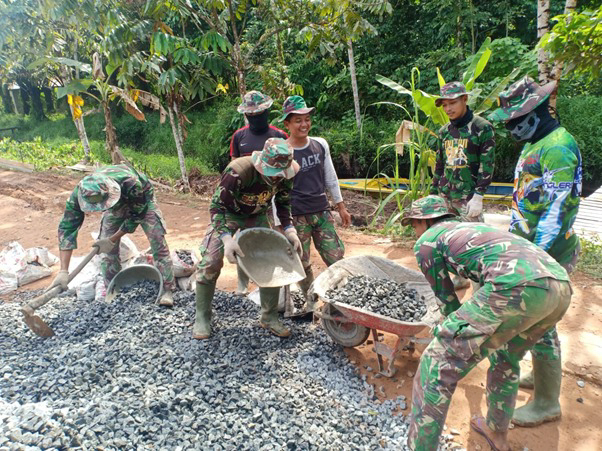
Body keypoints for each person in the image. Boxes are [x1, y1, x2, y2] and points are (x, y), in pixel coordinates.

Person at [403, 195, 571, 451]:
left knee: (436, 364)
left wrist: (446, 333)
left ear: (424, 221)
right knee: (505, 354)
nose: (414, 232)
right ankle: (496, 431)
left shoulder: (426, 241)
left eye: (413, 225)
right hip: (558, 286)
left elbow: (446, 300)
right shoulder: (474, 230)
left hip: (515, 287)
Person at [488, 76, 582, 427]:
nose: (511, 128)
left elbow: (558, 211)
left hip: (548, 255)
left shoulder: (558, 146)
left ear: (536, 111)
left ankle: (546, 402)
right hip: (531, 249)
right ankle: (540, 381)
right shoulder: (536, 141)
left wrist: (535, 259)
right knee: (538, 323)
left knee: (543, 323)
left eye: (515, 121)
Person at [193, 138, 301, 340]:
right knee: (210, 261)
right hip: (228, 214)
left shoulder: (287, 173)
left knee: (271, 258)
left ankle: (268, 317)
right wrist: (226, 239)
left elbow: (283, 202)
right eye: (272, 174)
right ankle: (203, 316)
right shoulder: (238, 172)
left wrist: (289, 229)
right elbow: (217, 208)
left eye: (280, 175)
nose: (276, 179)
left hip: (257, 215)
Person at [51, 164, 176, 306]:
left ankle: (167, 289)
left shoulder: (130, 181)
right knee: (107, 253)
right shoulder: (79, 194)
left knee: (157, 240)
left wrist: (112, 239)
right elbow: (67, 228)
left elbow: (136, 217)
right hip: (115, 207)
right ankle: (113, 288)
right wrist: (63, 270)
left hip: (142, 201)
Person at [278, 95, 351, 300]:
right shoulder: (282, 151)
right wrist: (280, 224)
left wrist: (341, 206)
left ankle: (344, 299)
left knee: (335, 255)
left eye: (307, 119)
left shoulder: (320, 145)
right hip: (296, 217)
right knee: (301, 262)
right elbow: (276, 190)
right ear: (287, 123)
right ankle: (310, 301)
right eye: (298, 120)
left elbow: (331, 177)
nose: (304, 124)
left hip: (321, 212)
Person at [230, 90, 289, 295]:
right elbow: (234, 166)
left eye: (260, 114)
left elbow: (286, 168)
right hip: (243, 198)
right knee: (241, 240)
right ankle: (242, 282)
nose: (255, 118)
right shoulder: (239, 137)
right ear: (246, 115)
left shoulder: (278, 135)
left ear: (267, 111)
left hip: (267, 198)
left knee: (266, 239)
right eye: (251, 115)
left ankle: (266, 278)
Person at [431, 81, 496, 221]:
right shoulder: (444, 132)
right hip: (445, 198)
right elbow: (440, 165)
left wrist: (479, 196)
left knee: (472, 239)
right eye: (444, 105)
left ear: (465, 99)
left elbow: (487, 165)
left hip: (469, 199)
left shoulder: (482, 127)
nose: (448, 109)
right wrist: (433, 193)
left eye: (452, 103)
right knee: (445, 238)